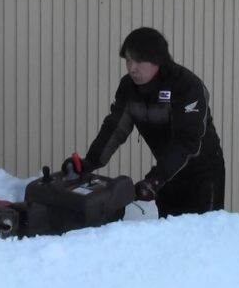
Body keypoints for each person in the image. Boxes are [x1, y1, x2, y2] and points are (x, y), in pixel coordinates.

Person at [71, 27, 225, 217]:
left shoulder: (186, 85)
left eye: (139, 60)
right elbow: (115, 128)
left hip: (202, 173)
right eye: (128, 60)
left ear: (157, 60)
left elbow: (187, 141)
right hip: (167, 175)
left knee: (202, 238)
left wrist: (155, 180)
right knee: (169, 234)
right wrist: (90, 162)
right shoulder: (128, 87)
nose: (132, 67)